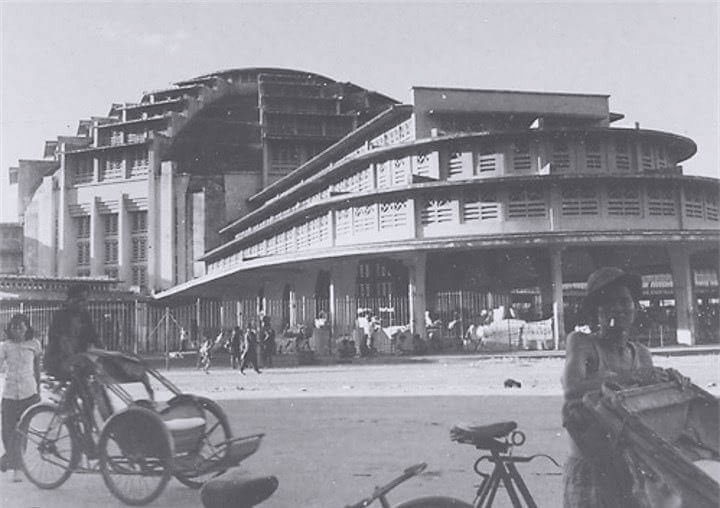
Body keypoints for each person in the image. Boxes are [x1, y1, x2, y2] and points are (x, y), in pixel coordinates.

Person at [561, 267, 683, 508]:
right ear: (596, 311)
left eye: (624, 300)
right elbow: (572, 389)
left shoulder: (642, 354)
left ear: (634, 306)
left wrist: (670, 383)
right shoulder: (582, 343)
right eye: (607, 302)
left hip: (630, 467)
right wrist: (635, 377)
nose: (618, 308)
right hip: (591, 469)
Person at [0, 314, 42, 482]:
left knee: (21, 432)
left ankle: (17, 467)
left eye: (21, 327)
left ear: (27, 328)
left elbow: (37, 369)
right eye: (14, 327)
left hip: (28, 393)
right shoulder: (5, 346)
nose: (17, 330)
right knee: (7, 431)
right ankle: (9, 459)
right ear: (9, 329)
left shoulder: (34, 344)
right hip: (9, 394)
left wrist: (39, 390)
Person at [44, 284, 104, 380]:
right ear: (70, 300)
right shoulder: (60, 315)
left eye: (85, 300)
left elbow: (94, 336)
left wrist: (104, 352)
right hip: (61, 360)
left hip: (78, 360)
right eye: (80, 300)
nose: (83, 303)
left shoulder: (85, 315)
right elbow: (59, 340)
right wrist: (73, 357)